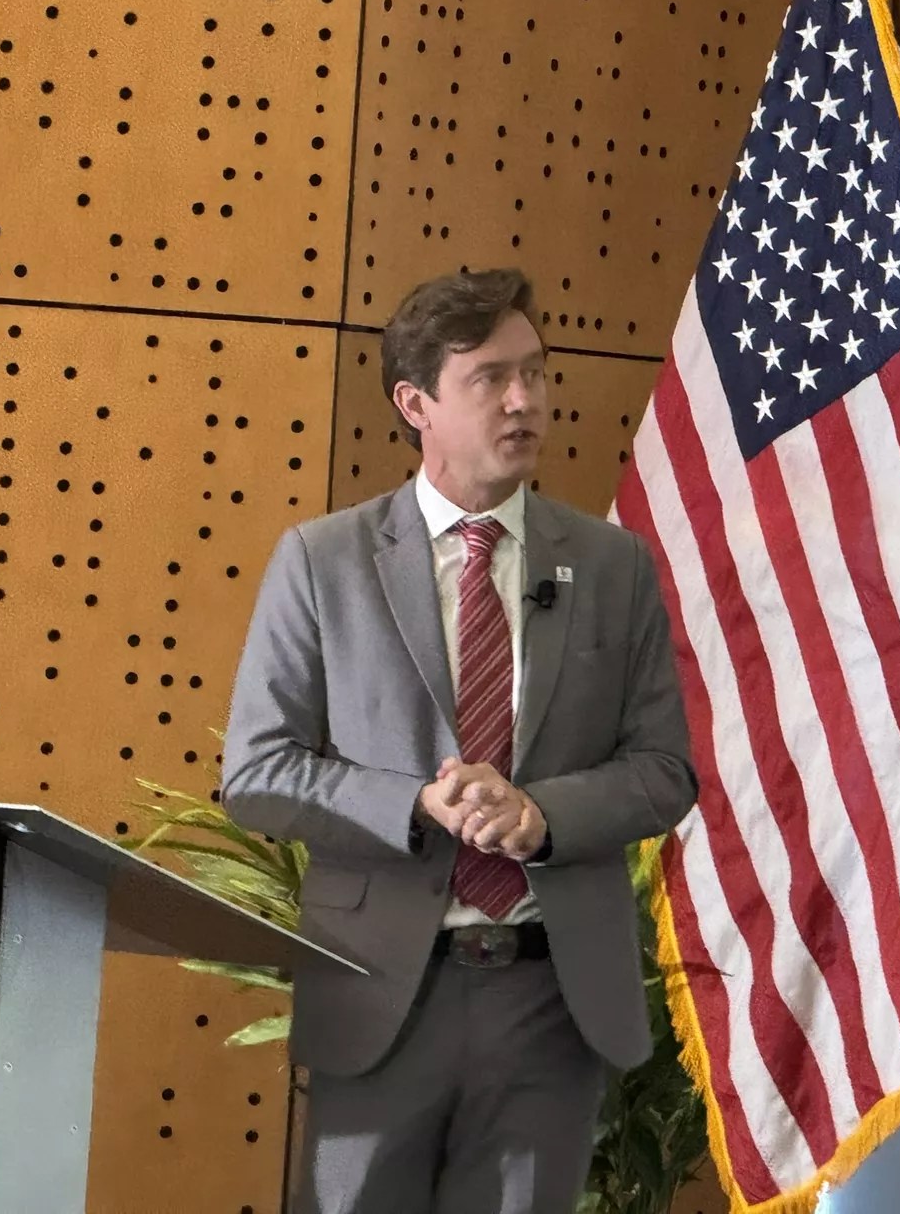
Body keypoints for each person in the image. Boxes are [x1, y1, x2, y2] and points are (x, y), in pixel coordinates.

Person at [220, 267, 697, 1214]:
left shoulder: (611, 565)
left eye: (535, 373)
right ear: (417, 403)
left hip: (548, 999)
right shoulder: (324, 561)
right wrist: (411, 804)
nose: (524, 401)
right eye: (490, 379)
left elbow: (664, 771)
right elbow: (258, 771)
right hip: (382, 993)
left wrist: (540, 815)